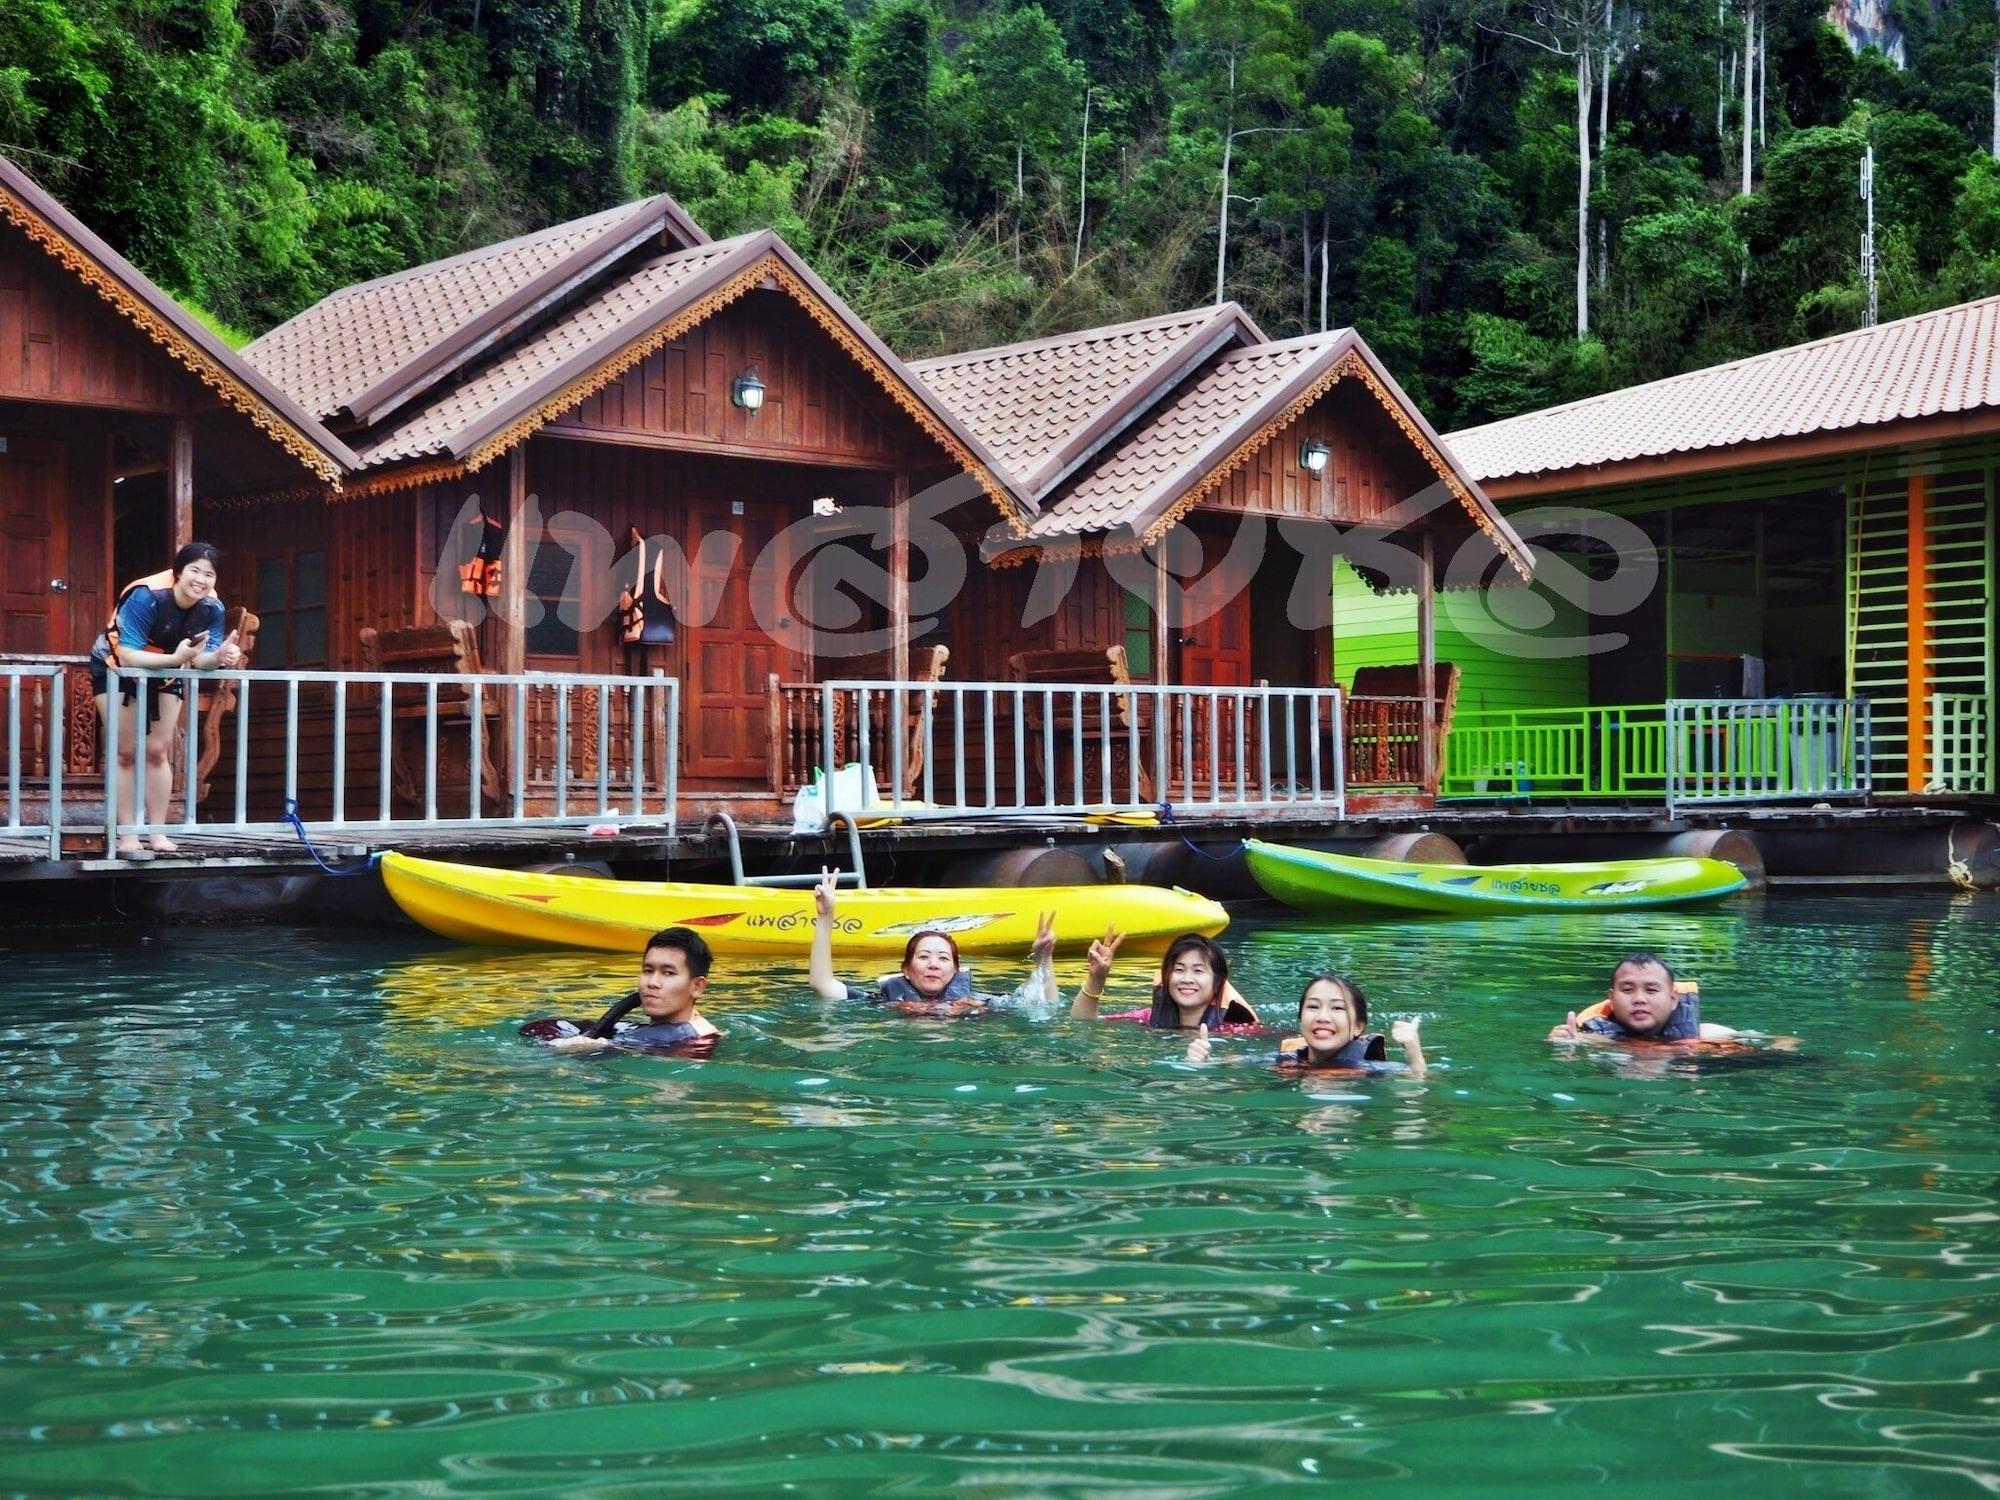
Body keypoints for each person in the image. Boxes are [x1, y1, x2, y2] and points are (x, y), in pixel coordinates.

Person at [88, 542, 242, 857]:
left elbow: (201, 660)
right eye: (194, 571)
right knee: (125, 752)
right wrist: (176, 658)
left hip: (169, 670)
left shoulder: (212, 607)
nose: (201, 580)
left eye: (209, 574)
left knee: (158, 751)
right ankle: (127, 834)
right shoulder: (146, 596)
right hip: (117, 666)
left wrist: (221, 657)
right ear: (178, 572)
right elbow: (129, 655)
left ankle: (157, 833)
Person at [809, 868, 1056, 1017]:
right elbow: (822, 984)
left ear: (956, 970)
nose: (933, 964)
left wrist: (1044, 960)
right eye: (923, 956)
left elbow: (1046, 1004)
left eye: (943, 958)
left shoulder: (980, 1003)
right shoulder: (884, 1002)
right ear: (906, 970)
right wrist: (826, 916)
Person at [522, 927, 722, 1055]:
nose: (652, 983)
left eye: (668, 973)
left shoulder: (691, 1044)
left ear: (697, 987)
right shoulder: (644, 1033)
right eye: (648, 970)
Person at [1205, 972, 1426, 1076]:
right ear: (1300, 1019)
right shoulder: (1284, 1060)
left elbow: (1420, 1082)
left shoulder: (1371, 1069)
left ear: (1358, 1027)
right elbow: (1224, 1065)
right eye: (1313, 1007)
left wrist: (1415, 1056)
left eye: (1337, 1008)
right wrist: (1201, 1060)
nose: (1323, 1017)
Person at [1070, 930, 1261, 1030]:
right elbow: (1084, 1022)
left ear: (1218, 982)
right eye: (1179, 970)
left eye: (1198, 971)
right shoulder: (1148, 1017)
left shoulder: (1237, 1029)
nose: (1187, 979)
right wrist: (1097, 978)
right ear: (1167, 976)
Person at [1547, 953, 1739, 1045]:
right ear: (1611, 998)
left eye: (1651, 990)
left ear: (1673, 999)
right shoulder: (1586, 1039)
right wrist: (1561, 1045)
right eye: (1627, 990)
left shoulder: (1710, 1035)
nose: (1639, 999)